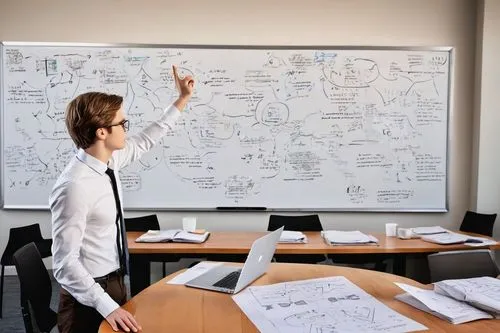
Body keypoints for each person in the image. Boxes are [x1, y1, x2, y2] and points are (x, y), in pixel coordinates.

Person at [50, 65, 194, 333]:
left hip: (113, 283)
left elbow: (147, 139)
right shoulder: (75, 187)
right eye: (122, 123)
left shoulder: (108, 162)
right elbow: (64, 264)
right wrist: (106, 305)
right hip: (87, 299)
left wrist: (182, 98)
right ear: (101, 132)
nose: (127, 129)